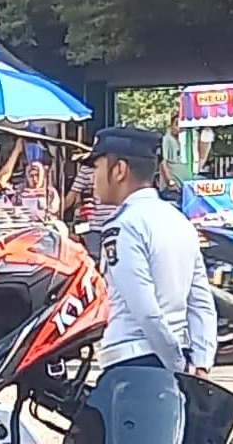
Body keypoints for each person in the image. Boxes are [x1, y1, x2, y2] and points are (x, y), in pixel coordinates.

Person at [87, 125, 218, 375]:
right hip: (174, 355)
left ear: (119, 171)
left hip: (134, 363)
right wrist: (200, 363)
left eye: (97, 167)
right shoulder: (179, 220)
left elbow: (146, 312)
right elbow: (201, 300)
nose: (93, 177)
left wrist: (176, 365)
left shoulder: (123, 226)